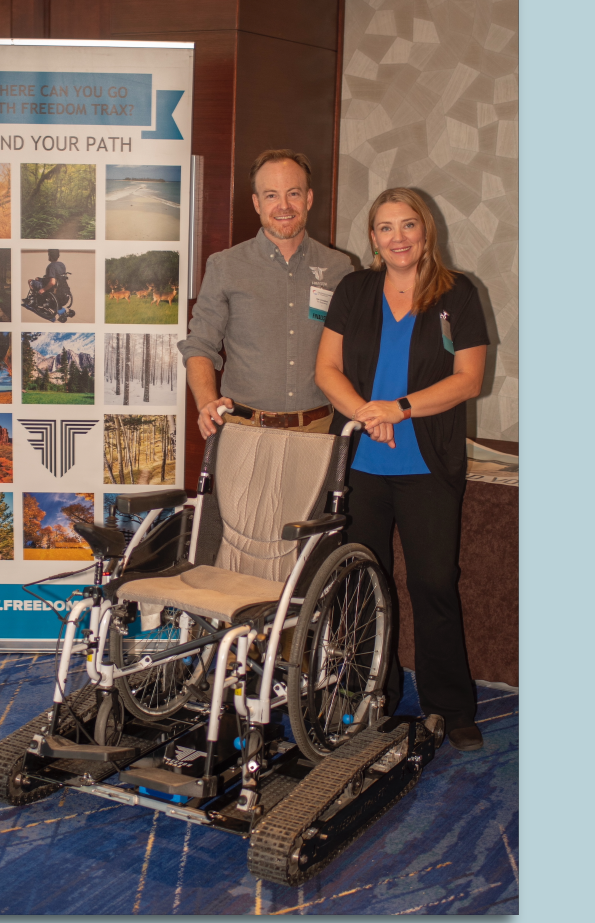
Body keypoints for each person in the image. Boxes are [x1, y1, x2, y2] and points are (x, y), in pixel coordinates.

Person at [315, 187, 490, 751]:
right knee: (362, 582)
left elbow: (468, 379)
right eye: (386, 227)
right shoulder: (354, 289)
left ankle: (451, 707)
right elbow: (327, 369)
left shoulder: (457, 293)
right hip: (362, 463)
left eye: (408, 226)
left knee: (433, 583)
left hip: (426, 466)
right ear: (373, 238)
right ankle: (371, 697)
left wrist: (401, 408)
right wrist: (369, 414)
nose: (398, 237)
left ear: (426, 231)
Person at [179, 149, 357, 437]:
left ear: (309, 199)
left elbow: (356, 350)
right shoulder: (225, 265)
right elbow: (200, 345)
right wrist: (207, 403)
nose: (283, 206)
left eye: (294, 194)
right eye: (271, 195)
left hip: (319, 430)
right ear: (257, 203)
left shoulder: (339, 268)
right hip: (243, 430)